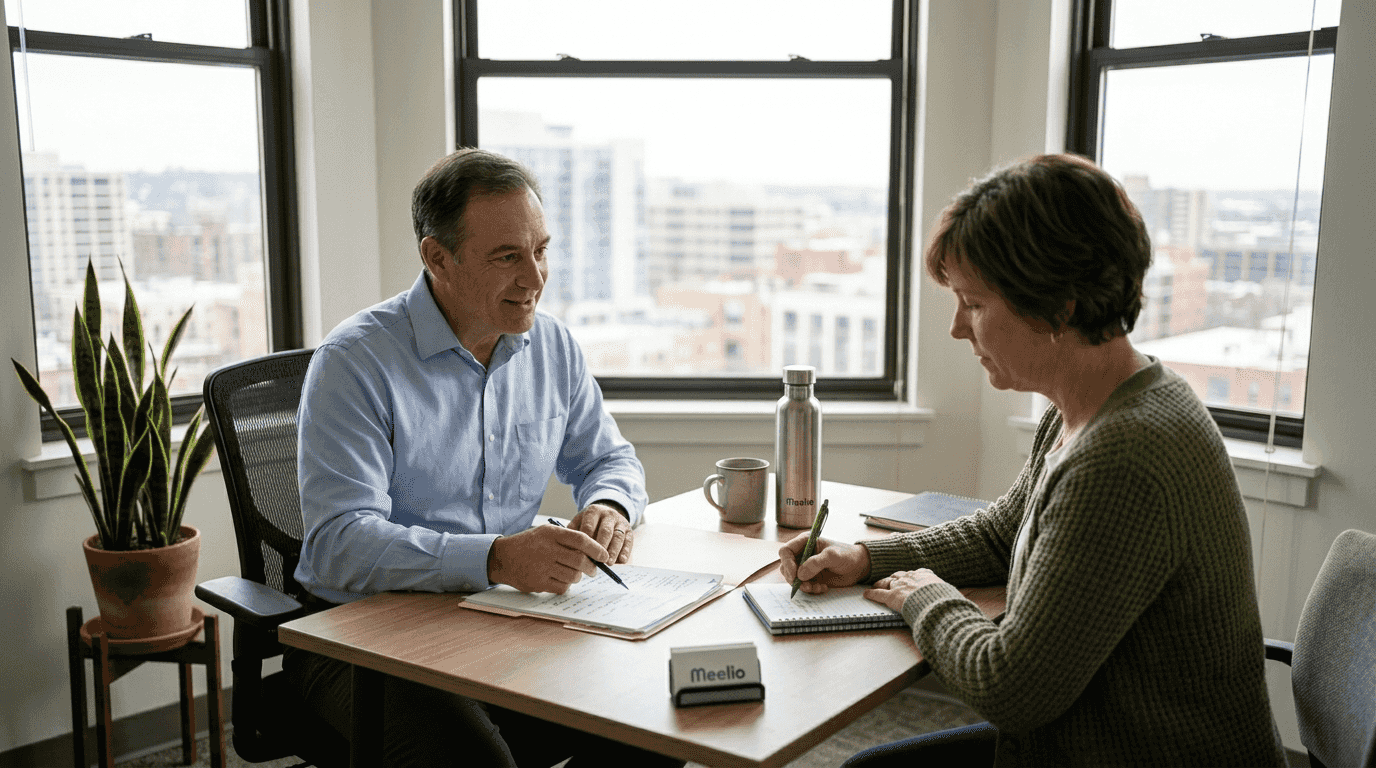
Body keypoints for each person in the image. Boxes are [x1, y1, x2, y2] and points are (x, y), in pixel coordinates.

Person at [781, 154, 1286, 767]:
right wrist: (866, 558)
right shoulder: (1088, 402)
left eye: (974, 302)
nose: (957, 329)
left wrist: (927, 598)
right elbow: (1003, 533)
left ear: (1060, 306)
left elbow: (1010, 689)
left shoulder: (1123, 459)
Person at [289, 148, 684, 767]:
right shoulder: (355, 362)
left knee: (661, 718)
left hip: (498, 618)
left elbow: (612, 460)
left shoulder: (551, 345)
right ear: (436, 257)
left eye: (541, 250)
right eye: (507, 257)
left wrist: (609, 505)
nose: (534, 278)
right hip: (359, 636)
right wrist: (497, 557)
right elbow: (340, 542)